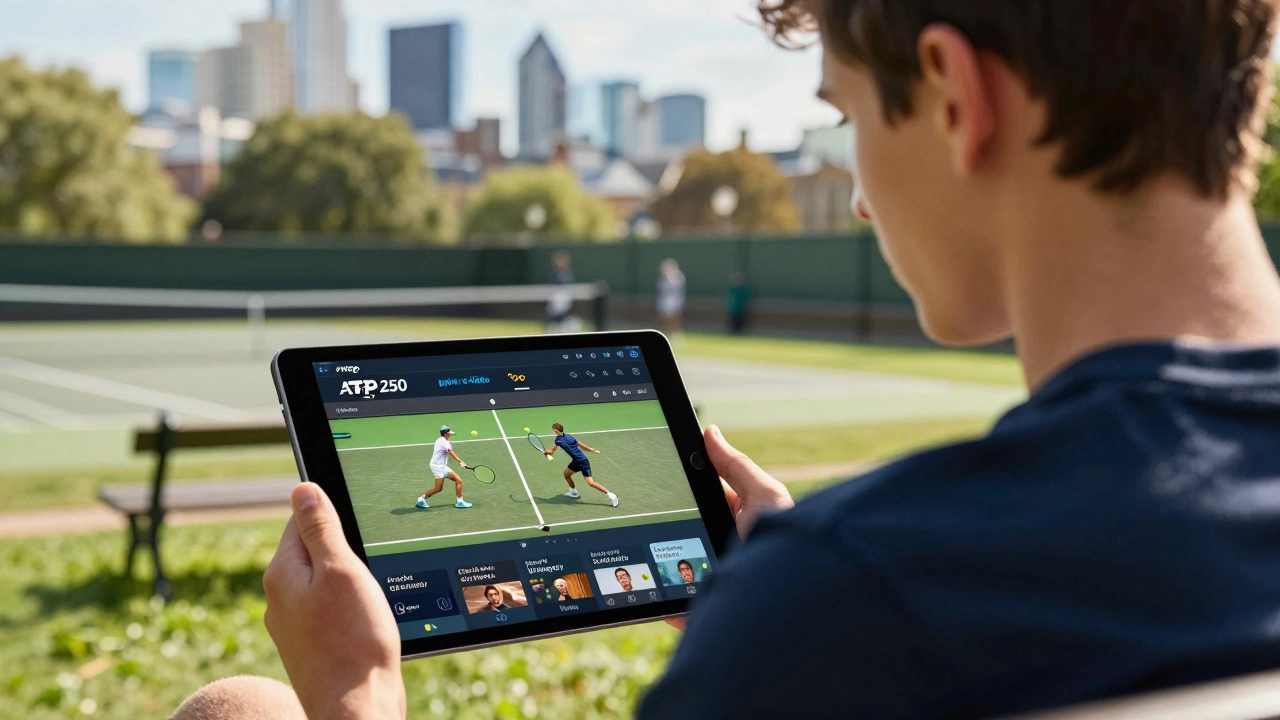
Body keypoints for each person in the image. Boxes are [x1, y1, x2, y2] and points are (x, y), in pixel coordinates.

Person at [177, 0, 1280, 717]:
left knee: (238, 709)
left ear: (953, 95)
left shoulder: (852, 599)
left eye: (845, 116)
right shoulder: (842, 594)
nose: (853, 189)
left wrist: (356, 692)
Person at [545, 422, 619, 507]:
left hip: (582, 462)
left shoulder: (558, 440)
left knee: (590, 483)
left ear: (555, 430)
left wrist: (545, 452)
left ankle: (611, 495)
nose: (553, 432)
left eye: (553, 430)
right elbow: (582, 446)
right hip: (577, 461)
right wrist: (592, 450)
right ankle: (573, 492)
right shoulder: (569, 436)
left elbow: (551, 451)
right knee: (566, 474)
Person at [416, 425, 472, 509]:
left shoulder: (444, 441)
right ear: (446, 433)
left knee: (458, 481)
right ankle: (421, 499)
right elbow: (450, 452)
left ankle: (460, 502)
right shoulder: (443, 442)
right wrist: (461, 462)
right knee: (438, 489)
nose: (450, 434)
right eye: (449, 433)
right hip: (437, 467)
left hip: (442, 466)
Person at [545, 251, 576, 332]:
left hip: (564, 298)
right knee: (553, 313)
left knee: (562, 313)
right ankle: (552, 327)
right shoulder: (552, 275)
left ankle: (565, 325)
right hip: (554, 298)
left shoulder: (567, 274)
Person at [655, 258, 686, 336]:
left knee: (675, 317)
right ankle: (669, 331)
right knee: (666, 318)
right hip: (665, 301)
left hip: (675, 301)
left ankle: (676, 332)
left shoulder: (678, 278)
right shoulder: (662, 280)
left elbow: (677, 289)